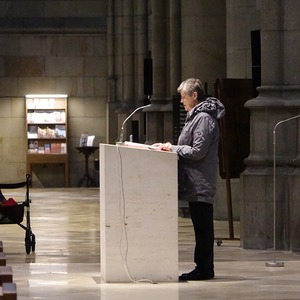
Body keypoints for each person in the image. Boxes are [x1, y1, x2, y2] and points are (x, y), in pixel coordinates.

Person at [152, 78, 225, 281]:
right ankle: (202, 267)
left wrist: (172, 148)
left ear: (195, 95)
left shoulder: (203, 118)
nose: (182, 101)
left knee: (203, 229)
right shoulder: (196, 117)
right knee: (200, 227)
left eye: (184, 97)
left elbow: (198, 152)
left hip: (200, 182)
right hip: (194, 180)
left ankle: (204, 269)